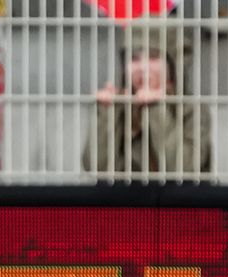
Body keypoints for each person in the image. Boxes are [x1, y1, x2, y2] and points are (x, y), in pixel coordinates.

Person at [83, 23, 214, 180]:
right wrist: (107, 112)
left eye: (153, 58)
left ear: (172, 65)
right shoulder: (120, 104)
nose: (142, 68)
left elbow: (184, 169)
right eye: (134, 59)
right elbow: (96, 167)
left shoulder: (191, 108)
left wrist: (156, 108)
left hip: (180, 202)